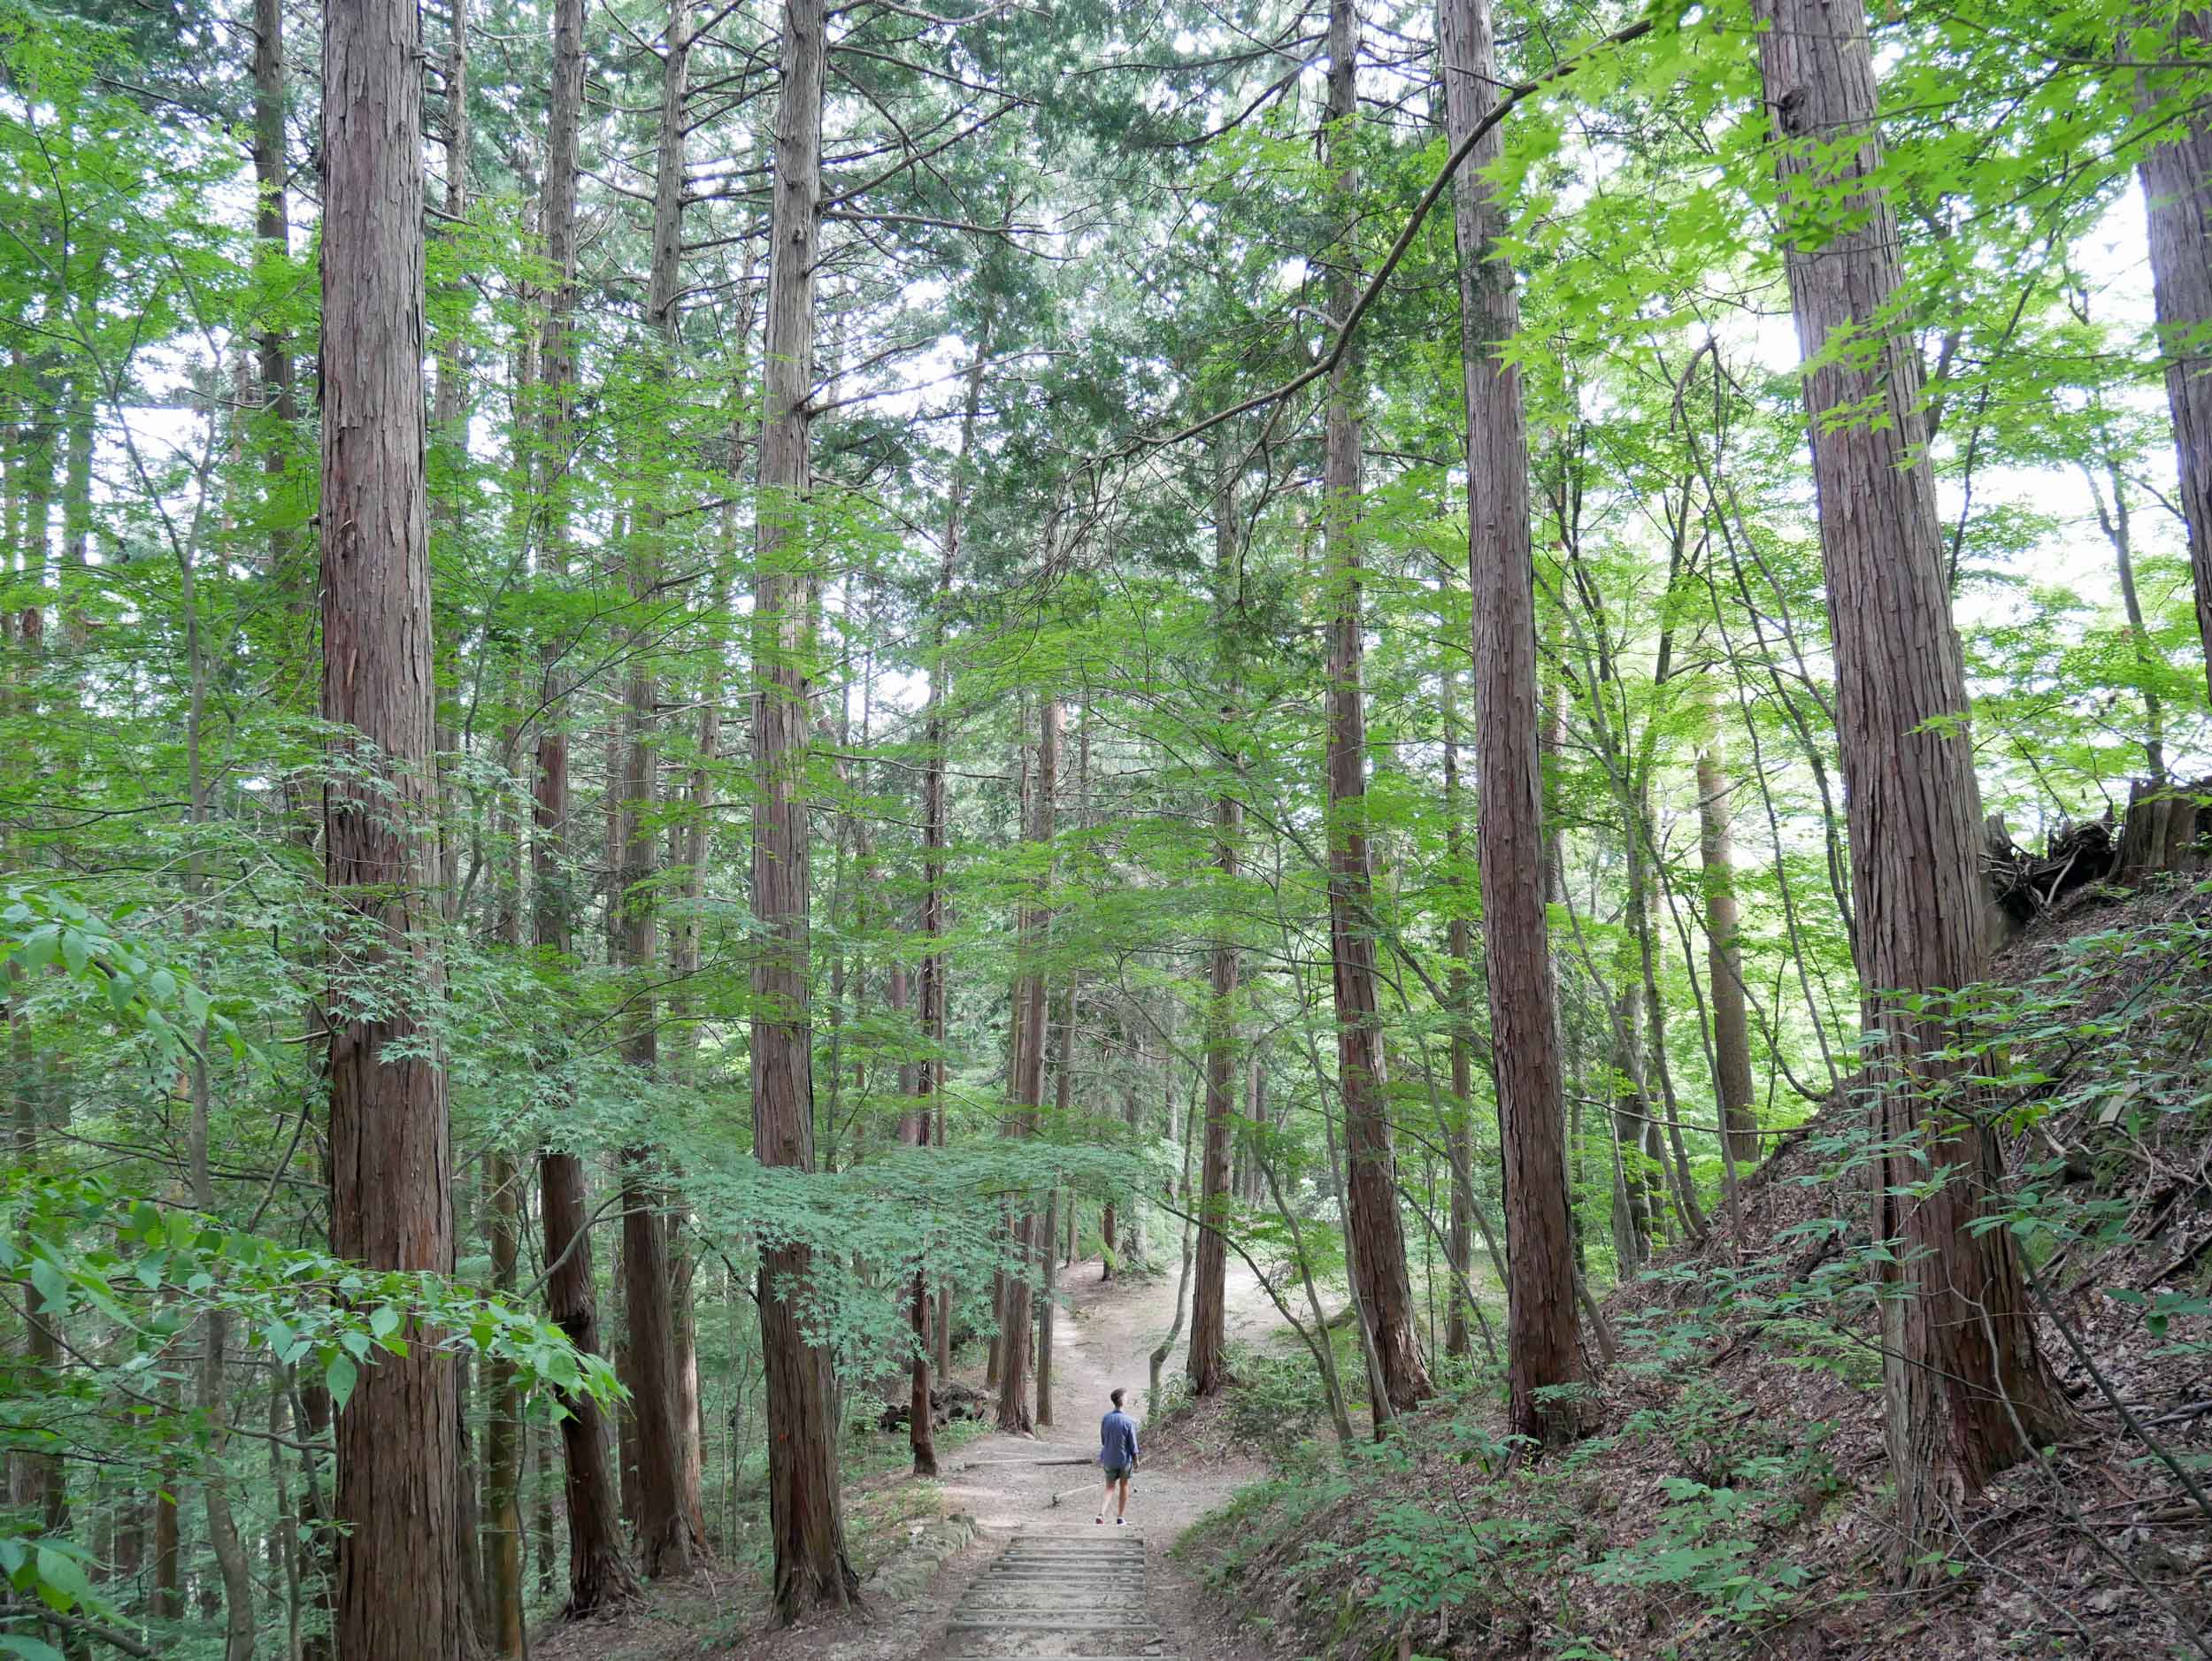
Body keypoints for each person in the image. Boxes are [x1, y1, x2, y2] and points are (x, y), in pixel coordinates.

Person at [1095, 1387, 1140, 1525]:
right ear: (1122, 1400)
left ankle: (1101, 1514)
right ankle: (1120, 1518)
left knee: (1109, 1487)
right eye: (1126, 1397)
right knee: (1124, 1486)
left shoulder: (1106, 1418)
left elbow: (1103, 1440)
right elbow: (1133, 1444)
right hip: (1124, 1461)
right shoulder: (1128, 1421)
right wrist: (1136, 1459)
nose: (1127, 1399)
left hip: (1108, 1459)